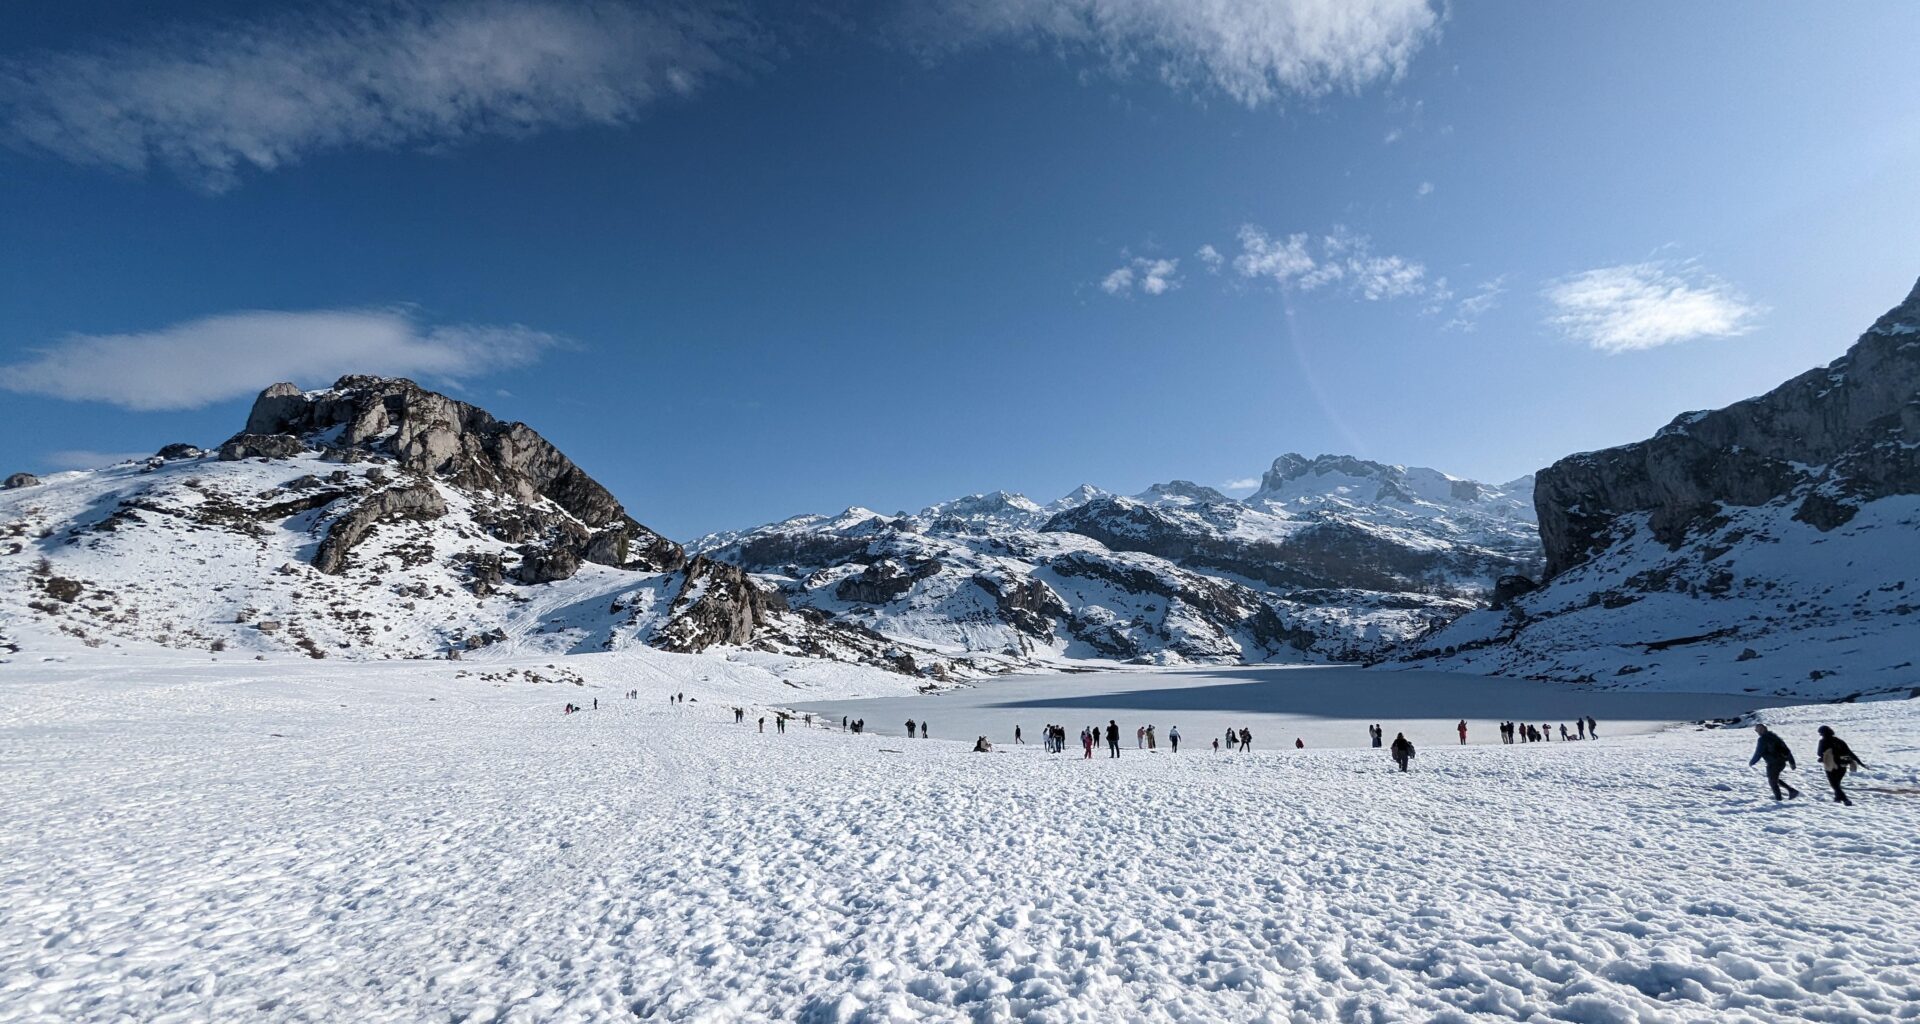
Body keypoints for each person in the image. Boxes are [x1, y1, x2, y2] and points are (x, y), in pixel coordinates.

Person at [1749, 724, 1800, 801]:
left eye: (1757, 729)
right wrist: (1792, 762)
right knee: (1774, 779)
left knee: (1772, 782)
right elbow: (1787, 750)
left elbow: (1758, 752)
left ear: (1763, 729)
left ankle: (1779, 800)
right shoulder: (1775, 737)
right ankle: (1791, 791)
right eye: (1756, 730)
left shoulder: (1763, 739)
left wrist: (1752, 762)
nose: (1757, 731)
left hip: (1773, 763)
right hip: (1781, 763)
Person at [1816, 726, 1864, 805]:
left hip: (1831, 764)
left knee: (1834, 784)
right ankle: (1837, 798)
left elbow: (1819, 753)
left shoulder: (1823, 741)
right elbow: (1849, 752)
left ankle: (1845, 800)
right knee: (1837, 783)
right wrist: (1859, 762)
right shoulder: (1839, 741)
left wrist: (1822, 757)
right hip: (1843, 764)